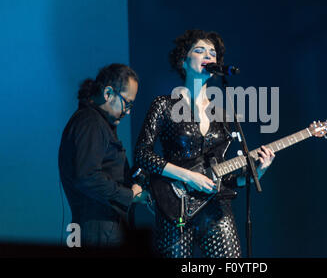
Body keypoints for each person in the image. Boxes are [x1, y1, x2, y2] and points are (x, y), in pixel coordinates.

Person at [134, 29, 275, 258]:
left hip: (215, 206)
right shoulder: (163, 105)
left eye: (212, 53)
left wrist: (258, 171)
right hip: (175, 205)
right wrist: (188, 176)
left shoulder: (221, 115)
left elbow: (226, 177)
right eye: (200, 51)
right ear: (183, 60)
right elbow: (142, 153)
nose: (208, 56)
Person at [59, 63, 147, 248]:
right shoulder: (90, 122)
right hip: (98, 228)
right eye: (127, 103)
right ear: (108, 93)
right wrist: (129, 195)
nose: (129, 111)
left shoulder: (94, 122)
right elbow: (87, 176)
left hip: (99, 226)